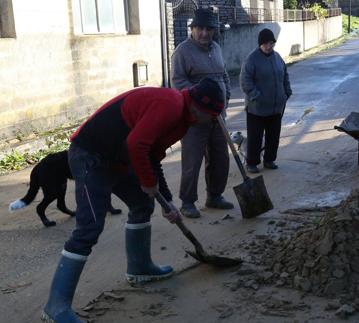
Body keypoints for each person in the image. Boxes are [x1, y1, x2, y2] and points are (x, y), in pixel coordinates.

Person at [41, 78, 225, 323]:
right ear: (198, 108)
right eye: (212, 115)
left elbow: (151, 157)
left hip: (117, 159)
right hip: (90, 156)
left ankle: (139, 269)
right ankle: (56, 307)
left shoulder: (182, 121)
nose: (212, 121)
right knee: (89, 227)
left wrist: (167, 201)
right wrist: (148, 183)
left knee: (142, 203)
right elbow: (136, 144)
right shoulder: (170, 105)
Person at [171, 7, 234, 218]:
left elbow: (223, 73)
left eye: (209, 29)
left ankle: (214, 196)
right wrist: (201, 103)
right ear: (193, 29)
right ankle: (187, 202)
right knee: (192, 160)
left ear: (214, 31)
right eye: (200, 29)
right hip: (194, 118)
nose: (204, 33)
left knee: (220, 158)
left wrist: (227, 95)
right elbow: (178, 82)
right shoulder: (183, 51)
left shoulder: (216, 48)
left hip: (219, 116)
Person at [240, 28, 292, 173]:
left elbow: (284, 75)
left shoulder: (277, 57)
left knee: (273, 136)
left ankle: (269, 160)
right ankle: (252, 162)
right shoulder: (252, 59)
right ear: (260, 44)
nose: (269, 46)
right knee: (255, 137)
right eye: (266, 44)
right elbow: (245, 81)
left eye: (271, 43)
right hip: (257, 108)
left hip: (276, 107)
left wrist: (286, 92)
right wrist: (257, 96)